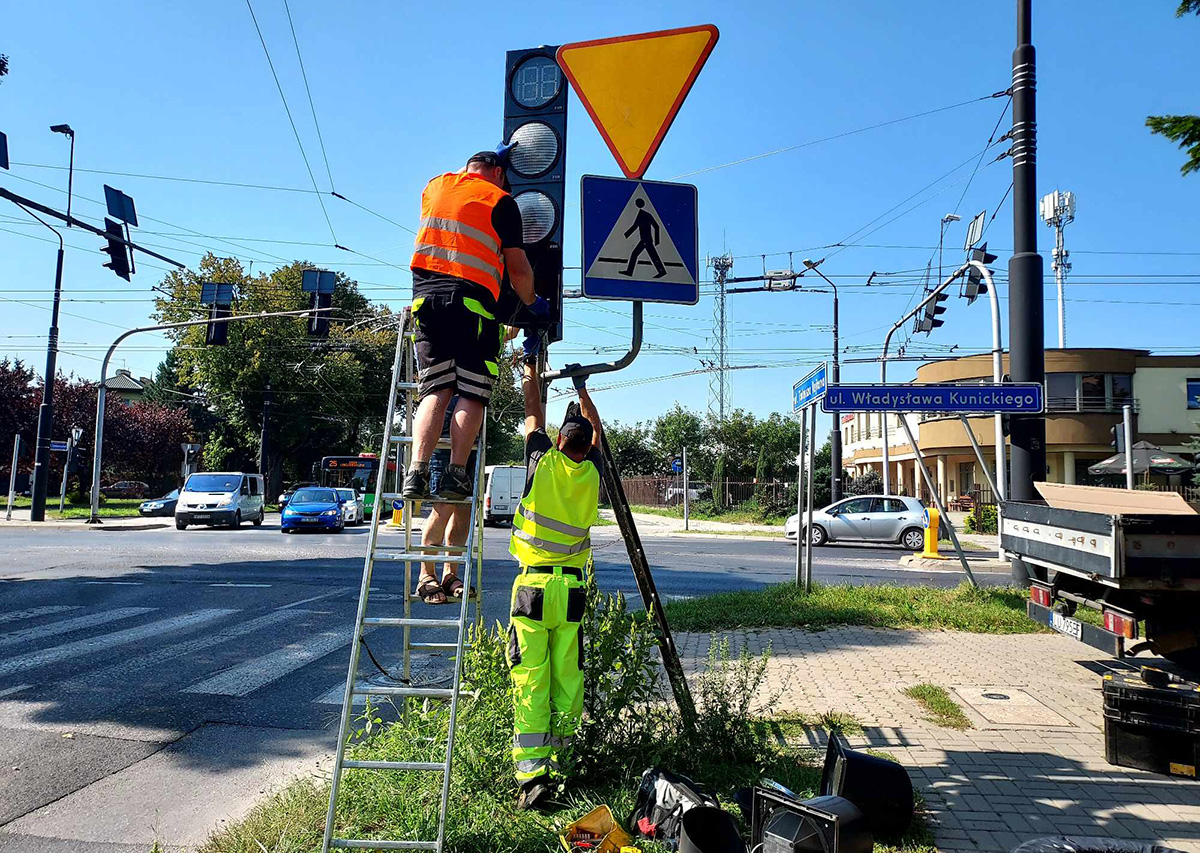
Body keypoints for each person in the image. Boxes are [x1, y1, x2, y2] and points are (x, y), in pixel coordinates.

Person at [403, 143, 549, 502]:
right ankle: (456, 473)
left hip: (425, 302)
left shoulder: (434, 186)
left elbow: (458, 207)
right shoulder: (501, 202)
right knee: (471, 392)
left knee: (435, 390)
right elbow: (518, 269)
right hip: (473, 307)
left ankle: (415, 471)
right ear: (499, 174)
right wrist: (533, 303)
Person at [506, 333, 603, 810]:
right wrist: (583, 391)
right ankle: (564, 769)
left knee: (532, 677)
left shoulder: (542, 463)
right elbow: (597, 435)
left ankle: (533, 779)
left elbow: (531, 412)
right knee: (568, 677)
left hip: (534, 590)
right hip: (572, 594)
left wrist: (530, 366)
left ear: (560, 441)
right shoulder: (591, 474)